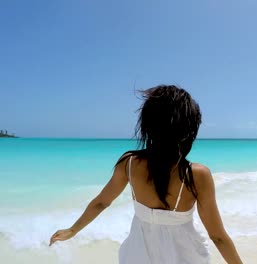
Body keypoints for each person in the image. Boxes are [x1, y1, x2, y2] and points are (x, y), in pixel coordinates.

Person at [49, 85, 243, 264]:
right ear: (187, 131)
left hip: (137, 254)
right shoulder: (196, 175)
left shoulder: (130, 163)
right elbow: (217, 236)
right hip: (184, 256)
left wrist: (72, 230)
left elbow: (102, 202)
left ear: (148, 125)